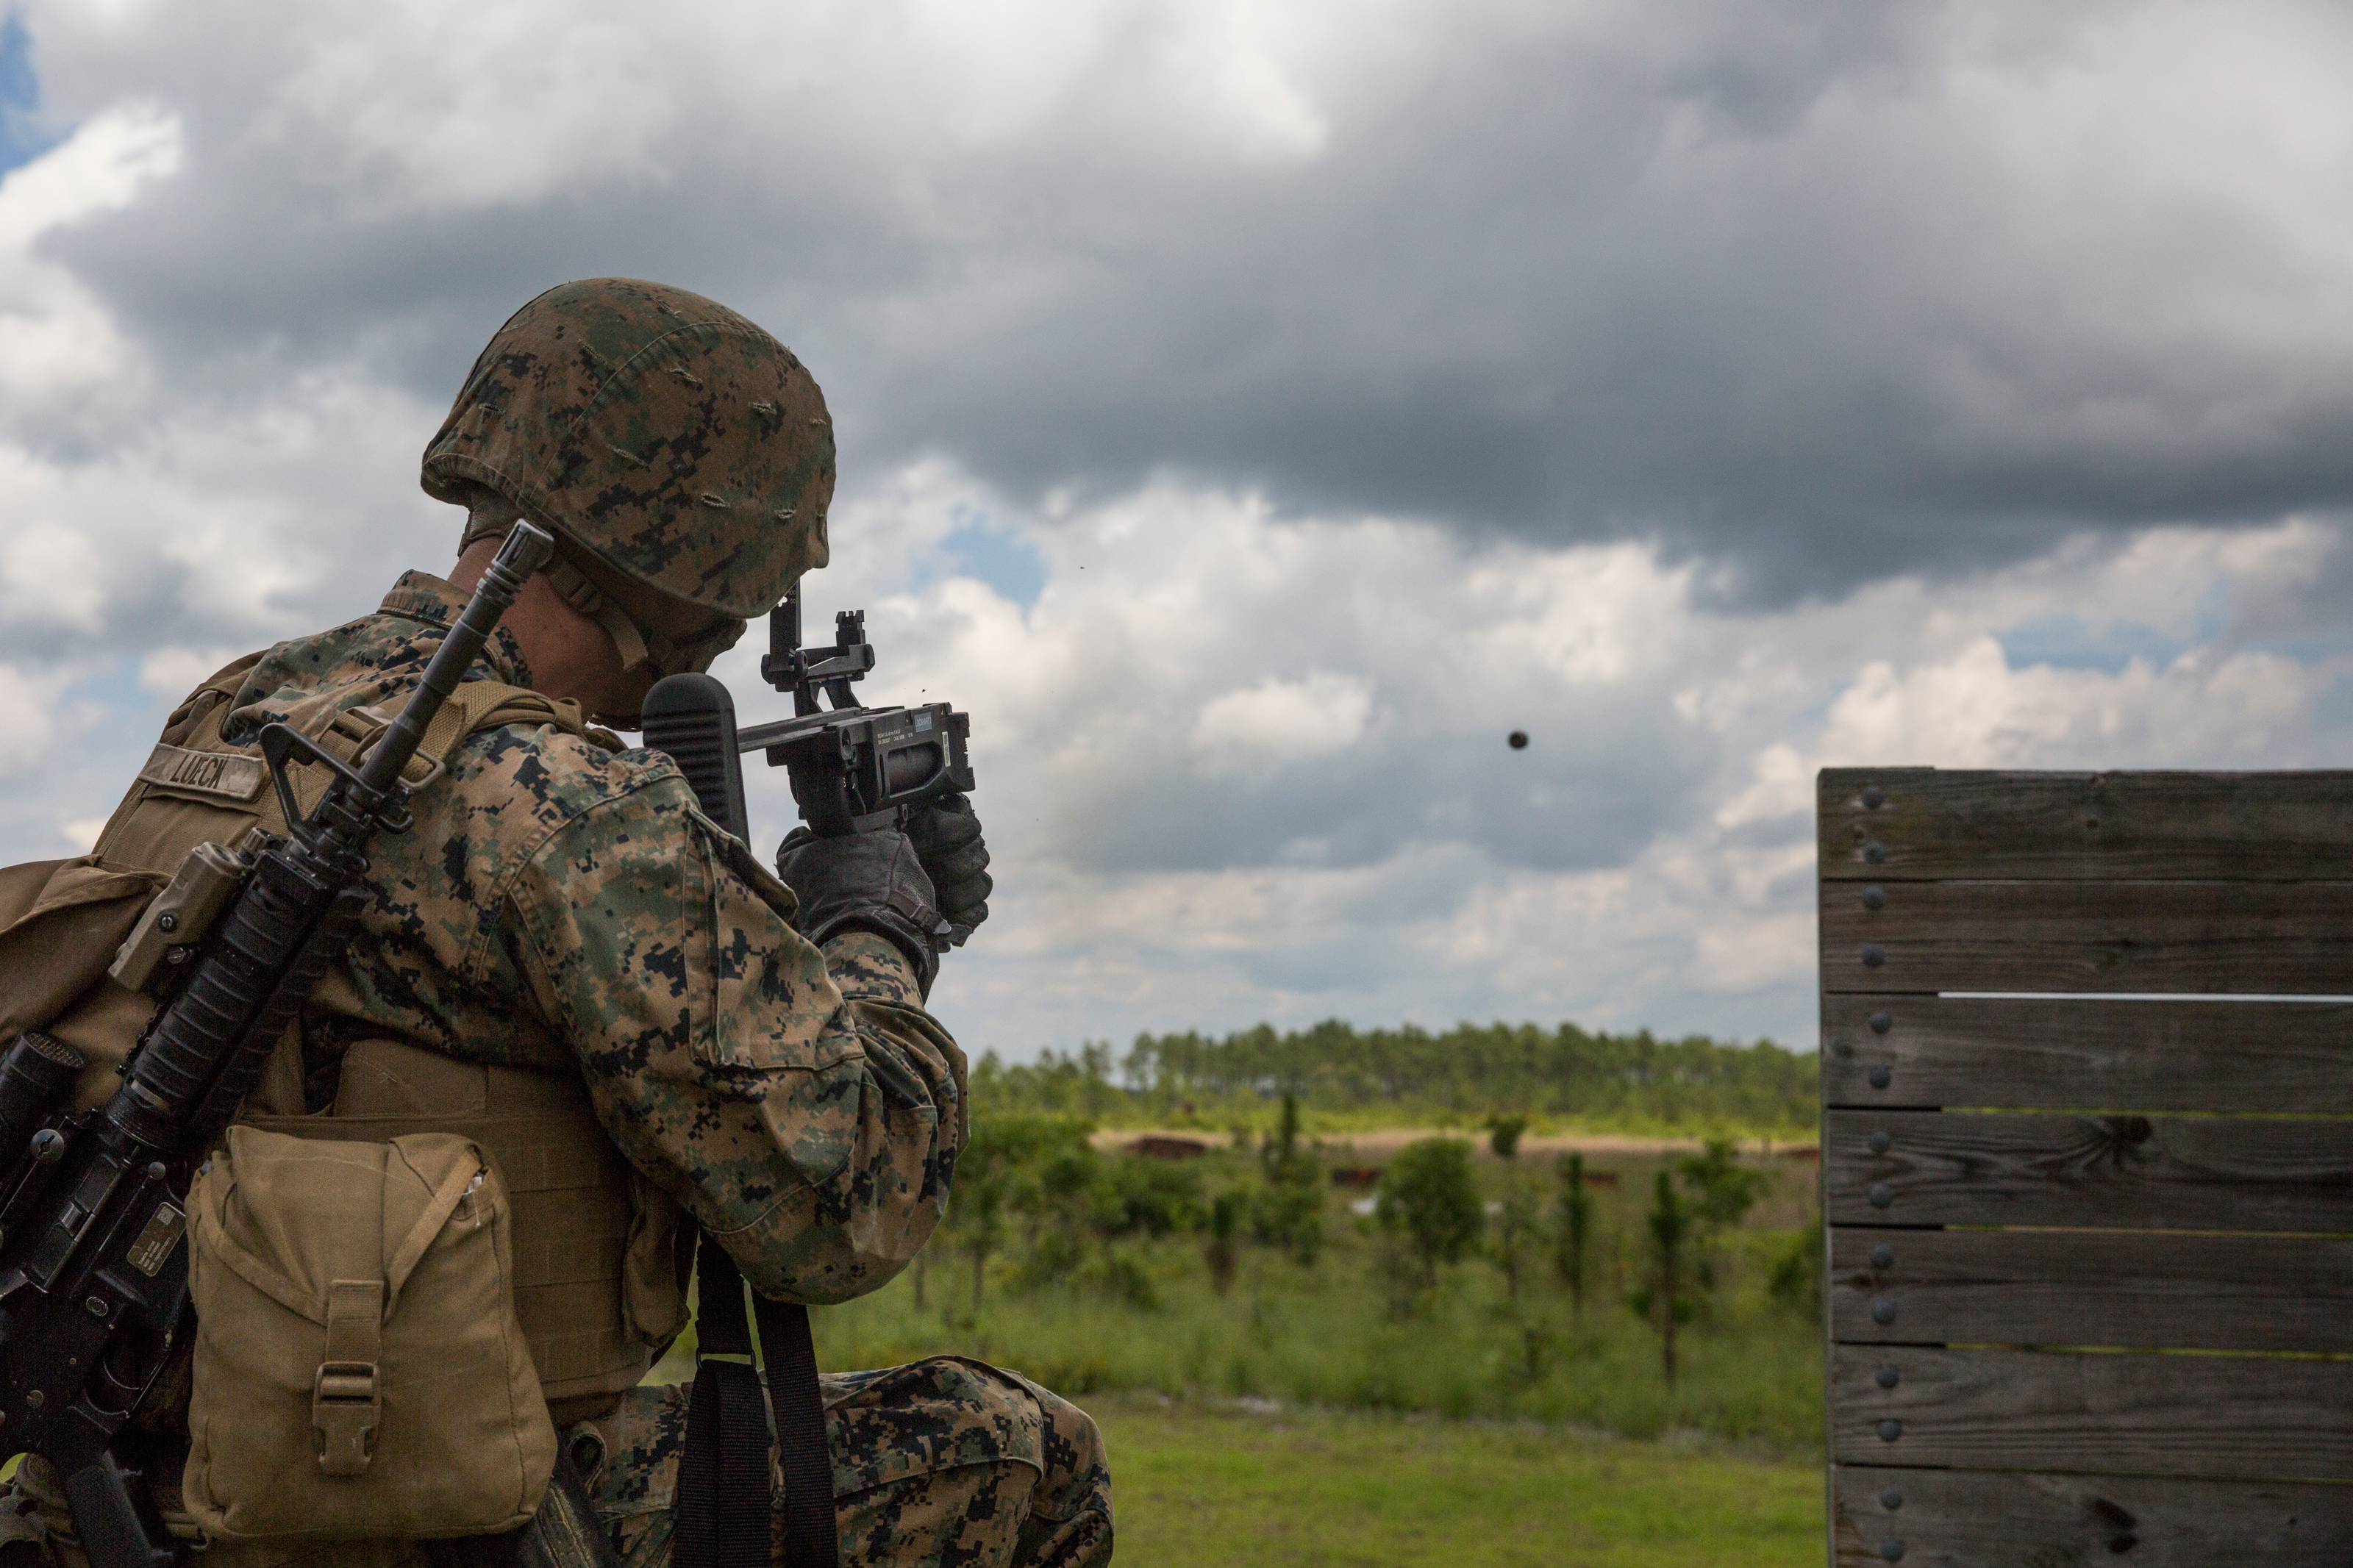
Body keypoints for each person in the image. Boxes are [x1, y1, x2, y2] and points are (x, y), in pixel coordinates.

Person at [0, 279, 1110, 1568]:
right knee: (1022, 1454)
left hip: (107, 1491)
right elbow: (846, 1195)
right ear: (704, 562)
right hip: (410, 1517)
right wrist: (877, 932)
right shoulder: (568, 806)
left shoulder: (245, 707)